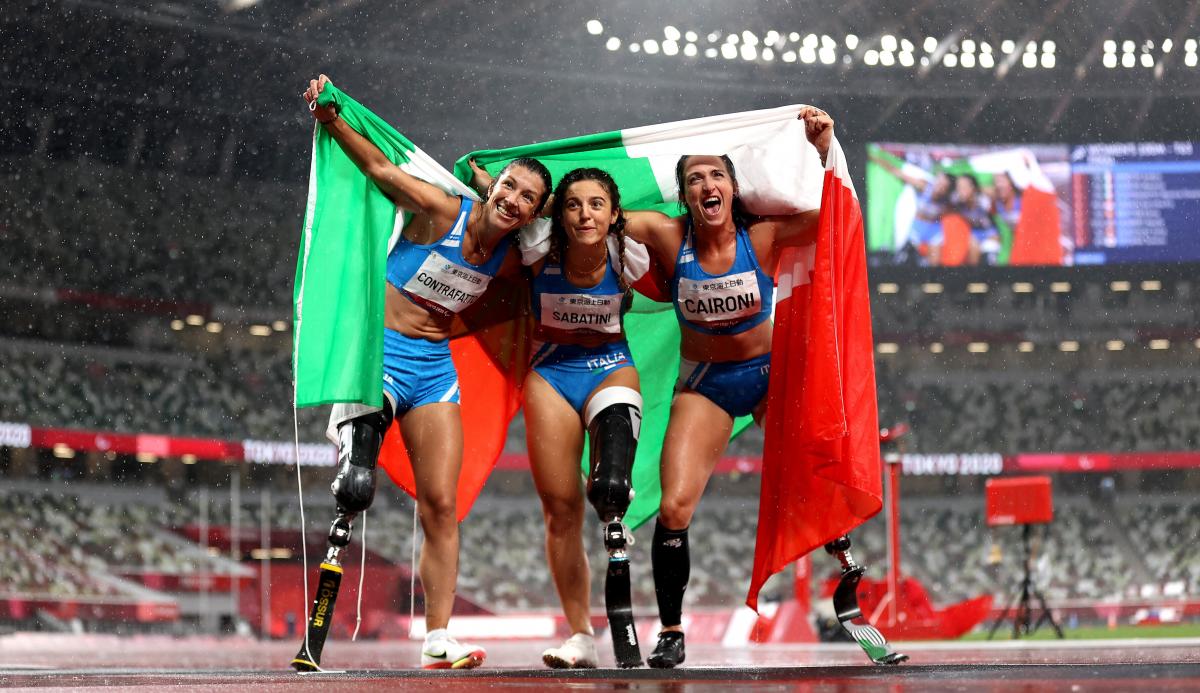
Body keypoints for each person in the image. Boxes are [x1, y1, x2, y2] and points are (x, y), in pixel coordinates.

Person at [302, 74, 551, 670]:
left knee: (442, 505)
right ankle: (315, 635)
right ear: (496, 187)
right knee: (357, 488)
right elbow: (385, 176)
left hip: (433, 369)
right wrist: (331, 119)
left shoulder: (514, 259)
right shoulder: (444, 211)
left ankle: (438, 637)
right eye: (508, 185)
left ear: (531, 215)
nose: (512, 198)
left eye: (526, 198)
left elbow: (565, 244)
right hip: (380, 355)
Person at [619, 107, 836, 668]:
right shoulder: (667, 236)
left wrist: (823, 146)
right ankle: (670, 630)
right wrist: (518, 192)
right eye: (694, 179)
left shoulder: (761, 236)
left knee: (815, 476)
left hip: (769, 379)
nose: (705, 185)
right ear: (685, 195)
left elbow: (833, 216)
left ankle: (848, 576)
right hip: (706, 387)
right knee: (674, 507)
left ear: (733, 188)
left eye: (715, 175)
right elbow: (591, 210)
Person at [521, 168, 643, 669]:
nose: (584, 214)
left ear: (615, 214)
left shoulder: (629, 254)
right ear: (558, 212)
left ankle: (630, 613)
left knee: (610, 488)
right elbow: (493, 216)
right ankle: (581, 636)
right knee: (561, 510)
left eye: (596, 204)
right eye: (573, 204)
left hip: (611, 369)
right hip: (551, 374)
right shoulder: (535, 246)